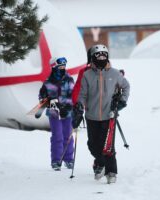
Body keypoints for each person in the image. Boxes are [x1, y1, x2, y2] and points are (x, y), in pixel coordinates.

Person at [74, 44, 130, 183]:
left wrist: (122, 101)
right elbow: (83, 94)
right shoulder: (87, 75)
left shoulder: (115, 74)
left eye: (104, 55)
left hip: (109, 115)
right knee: (93, 145)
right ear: (93, 57)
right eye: (98, 55)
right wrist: (80, 105)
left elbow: (126, 86)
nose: (101, 58)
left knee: (108, 145)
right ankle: (101, 163)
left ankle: (111, 172)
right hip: (91, 116)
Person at [38, 57, 75, 171]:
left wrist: (67, 105)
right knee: (57, 136)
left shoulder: (69, 80)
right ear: (54, 67)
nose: (63, 68)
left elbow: (73, 95)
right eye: (60, 67)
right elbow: (42, 97)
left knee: (67, 135)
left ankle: (68, 159)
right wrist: (49, 103)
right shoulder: (48, 82)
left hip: (67, 113)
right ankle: (56, 160)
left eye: (64, 66)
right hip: (54, 114)